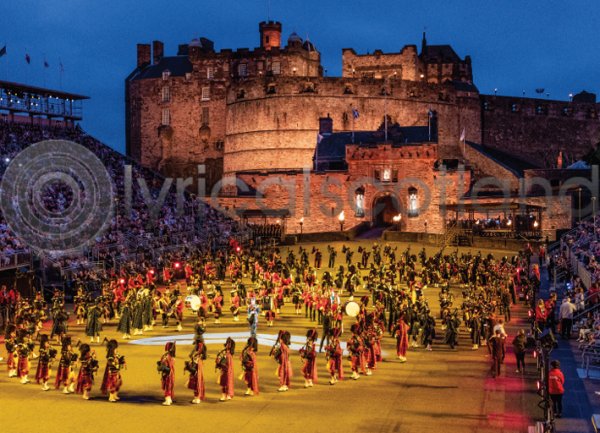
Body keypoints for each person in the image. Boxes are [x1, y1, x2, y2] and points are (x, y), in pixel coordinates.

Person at [186, 338, 206, 404]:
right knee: (195, 385)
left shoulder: (198, 358)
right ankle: (196, 397)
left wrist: (189, 367)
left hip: (196, 373)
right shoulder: (198, 356)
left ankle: (197, 398)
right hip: (195, 373)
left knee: (197, 385)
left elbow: (195, 367)